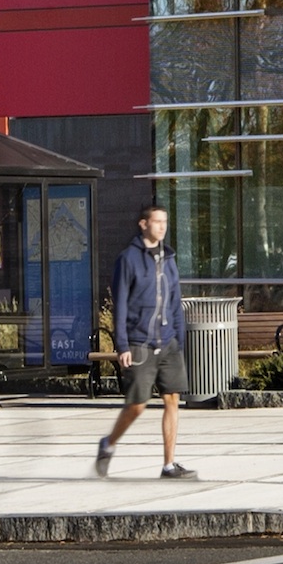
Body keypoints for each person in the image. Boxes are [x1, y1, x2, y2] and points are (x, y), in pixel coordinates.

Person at [93, 201, 194, 481]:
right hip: (139, 341)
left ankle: (169, 465)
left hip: (169, 342)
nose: (162, 226)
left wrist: (179, 342)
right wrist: (122, 345)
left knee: (172, 399)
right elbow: (120, 304)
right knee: (137, 404)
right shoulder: (128, 259)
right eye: (156, 221)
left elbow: (175, 304)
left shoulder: (169, 259)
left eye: (165, 222)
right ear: (143, 224)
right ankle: (108, 443)